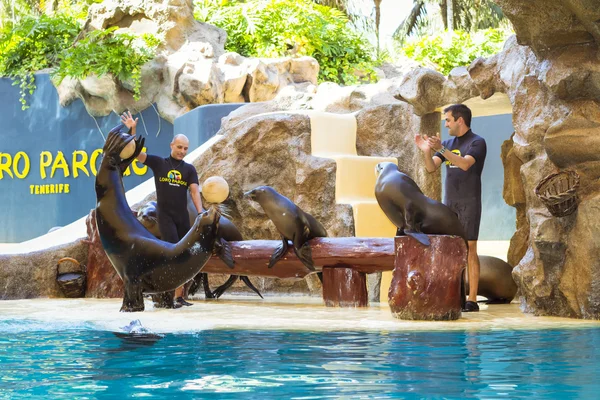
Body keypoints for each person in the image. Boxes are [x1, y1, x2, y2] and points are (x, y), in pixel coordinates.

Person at [121, 111, 203, 308]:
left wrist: (200, 214)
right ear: (171, 146)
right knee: (172, 253)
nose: (182, 151)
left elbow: (194, 192)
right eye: (179, 147)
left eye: (185, 148)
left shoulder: (189, 169)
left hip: (182, 218)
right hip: (165, 217)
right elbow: (135, 152)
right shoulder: (159, 163)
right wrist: (132, 129)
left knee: (184, 256)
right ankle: (164, 294)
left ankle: (179, 296)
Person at [414, 104, 487, 312]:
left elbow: (465, 164)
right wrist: (428, 151)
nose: (445, 124)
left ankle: (472, 299)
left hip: (469, 202)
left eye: (448, 120)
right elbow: (431, 168)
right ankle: (455, 295)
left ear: (460, 120)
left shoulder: (477, 142)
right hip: (450, 203)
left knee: (470, 248)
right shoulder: (446, 143)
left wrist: (442, 150)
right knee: (452, 249)